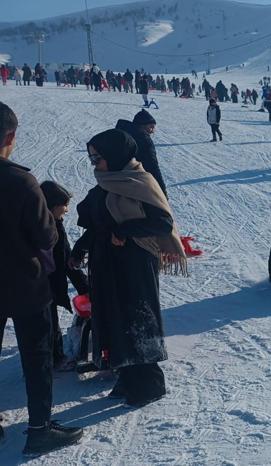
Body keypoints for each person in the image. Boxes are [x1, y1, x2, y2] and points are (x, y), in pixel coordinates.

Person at [71, 129, 186, 408]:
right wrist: (81, 247)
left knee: (138, 320)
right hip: (107, 264)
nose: (94, 163)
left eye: (98, 157)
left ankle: (149, 383)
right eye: (91, 158)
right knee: (114, 319)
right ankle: (126, 376)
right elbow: (99, 222)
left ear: (115, 155)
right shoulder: (105, 183)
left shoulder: (140, 182)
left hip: (135, 263)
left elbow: (162, 222)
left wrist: (126, 230)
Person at [0, 102, 84, 454]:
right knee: (36, 358)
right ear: (11, 136)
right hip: (25, 285)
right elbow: (46, 238)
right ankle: (39, 429)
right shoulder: (21, 181)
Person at [39, 181, 90, 370]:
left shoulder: (52, 223)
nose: (67, 210)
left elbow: (67, 259)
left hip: (42, 283)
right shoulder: (49, 228)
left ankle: (51, 355)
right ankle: (54, 358)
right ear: (52, 206)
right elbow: (66, 260)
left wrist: (84, 287)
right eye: (65, 205)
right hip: (44, 285)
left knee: (47, 321)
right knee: (48, 323)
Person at [115, 109, 167, 197]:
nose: (152, 131)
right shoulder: (144, 140)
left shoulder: (122, 134)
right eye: (151, 127)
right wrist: (162, 191)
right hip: (135, 182)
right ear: (142, 126)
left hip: (113, 179)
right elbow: (152, 166)